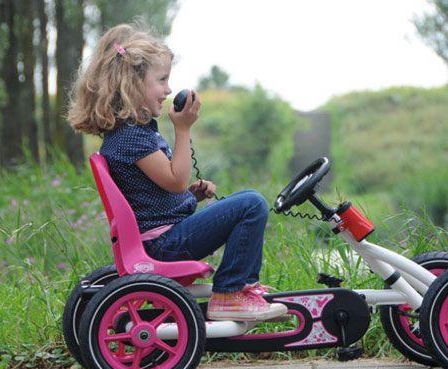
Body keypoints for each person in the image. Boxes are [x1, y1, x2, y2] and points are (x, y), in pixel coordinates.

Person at [66, 24, 287, 322]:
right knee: (252, 204)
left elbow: (158, 193)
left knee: (248, 198)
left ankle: (240, 288)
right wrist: (183, 129)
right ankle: (231, 293)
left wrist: (190, 196)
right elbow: (175, 180)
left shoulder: (132, 134)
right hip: (162, 247)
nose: (169, 90)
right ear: (132, 84)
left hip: (163, 238)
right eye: (162, 80)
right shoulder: (131, 138)